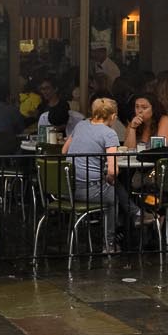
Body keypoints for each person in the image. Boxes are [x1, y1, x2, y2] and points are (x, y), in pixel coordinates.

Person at [63, 96, 124, 251]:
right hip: (90, 191)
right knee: (113, 197)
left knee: (114, 189)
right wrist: (109, 179)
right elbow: (112, 170)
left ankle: (136, 214)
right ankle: (109, 243)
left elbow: (64, 151)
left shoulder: (80, 125)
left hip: (68, 190)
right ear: (113, 116)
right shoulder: (109, 134)